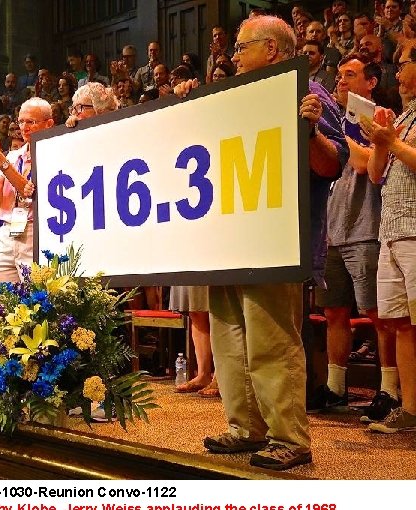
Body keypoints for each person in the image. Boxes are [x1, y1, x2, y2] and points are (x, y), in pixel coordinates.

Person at [175, 15, 347, 471]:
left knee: (272, 337)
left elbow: (332, 165)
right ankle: (245, 426)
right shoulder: (235, 99)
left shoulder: (307, 91)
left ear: (271, 50)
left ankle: (288, 436)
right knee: (230, 335)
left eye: (240, 48)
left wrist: (308, 129)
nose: (233, 56)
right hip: (228, 237)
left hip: (276, 238)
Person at [310, 53, 399, 423]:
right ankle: (335, 386)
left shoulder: (378, 119)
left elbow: (364, 164)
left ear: (371, 81)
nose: (341, 80)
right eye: (339, 74)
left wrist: (337, 137)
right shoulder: (336, 118)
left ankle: (389, 389)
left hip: (366, 230)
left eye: (351, 74)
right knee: (334, 312)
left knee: (379, 315)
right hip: (333, 231)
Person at [360, 44, 416, 433]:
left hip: (415, 231)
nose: (398, 72)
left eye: (404, 63)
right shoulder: (405, 116)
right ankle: (410, 412)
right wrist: (381, 141)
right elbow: (376, 174)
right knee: (400, 324)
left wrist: (391, 141)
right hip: (391, 232)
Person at [0, 97, 54, 286]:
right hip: (7, 230)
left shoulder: (53, 152)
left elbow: (28, 190)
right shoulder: (13, 156)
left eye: (31, 122)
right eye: (21, 121)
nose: (24, 127)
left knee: (34, 296)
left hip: (35, 230)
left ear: (49, 123)